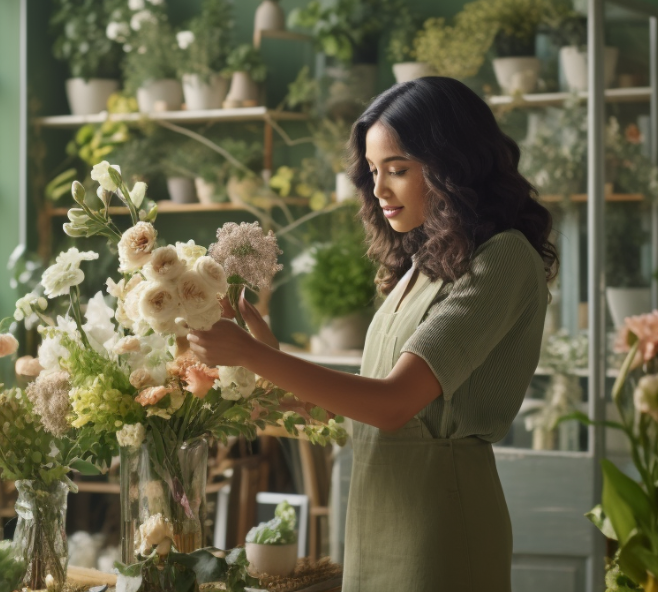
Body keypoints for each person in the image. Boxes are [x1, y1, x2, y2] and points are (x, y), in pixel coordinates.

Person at [187, 76, 557, 591]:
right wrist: (267, 366)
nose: (379, 189)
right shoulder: (423, 263)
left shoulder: (503, 258)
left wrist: (254, 356)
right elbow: (368, 412)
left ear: (453, 165)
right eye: (374, 171)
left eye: (398, 170)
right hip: (374, 512)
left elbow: (394, 404)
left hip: (441, 524)